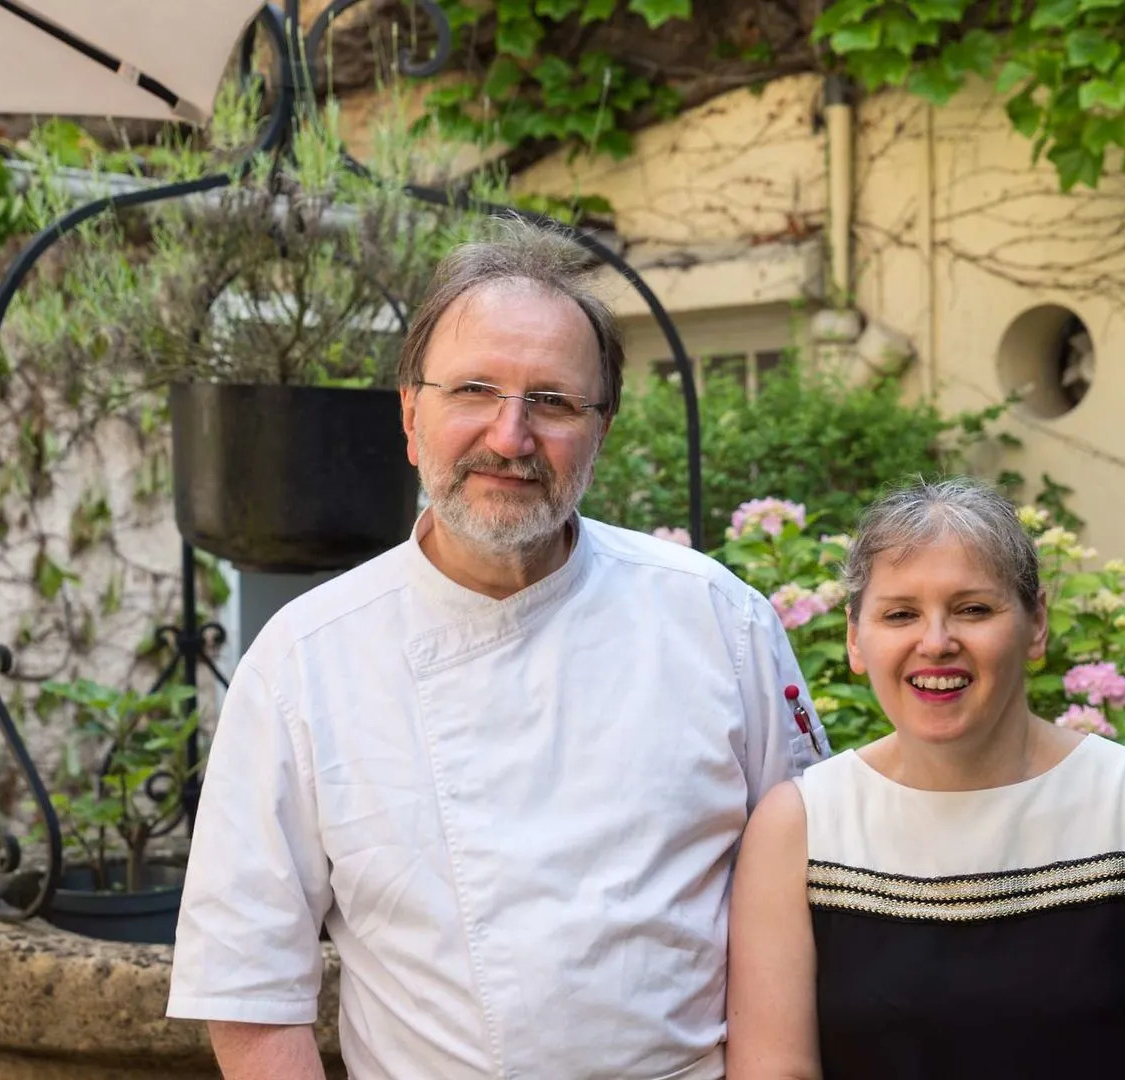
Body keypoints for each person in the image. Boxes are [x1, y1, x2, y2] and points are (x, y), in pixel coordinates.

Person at [166, 219, 828, 1080]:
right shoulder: (304, 661)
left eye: (553, 401)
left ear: (601, 430)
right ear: (410, 416)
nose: (510, 437)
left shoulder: (718, 620)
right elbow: (249, 989)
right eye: (474, 390)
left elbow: (810, 897)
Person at [726, 478, 1125, 1080]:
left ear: (1036, 622)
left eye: (973, 609)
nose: (936, 643)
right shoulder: (799, 829)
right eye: (900, 614)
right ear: (855, 638)